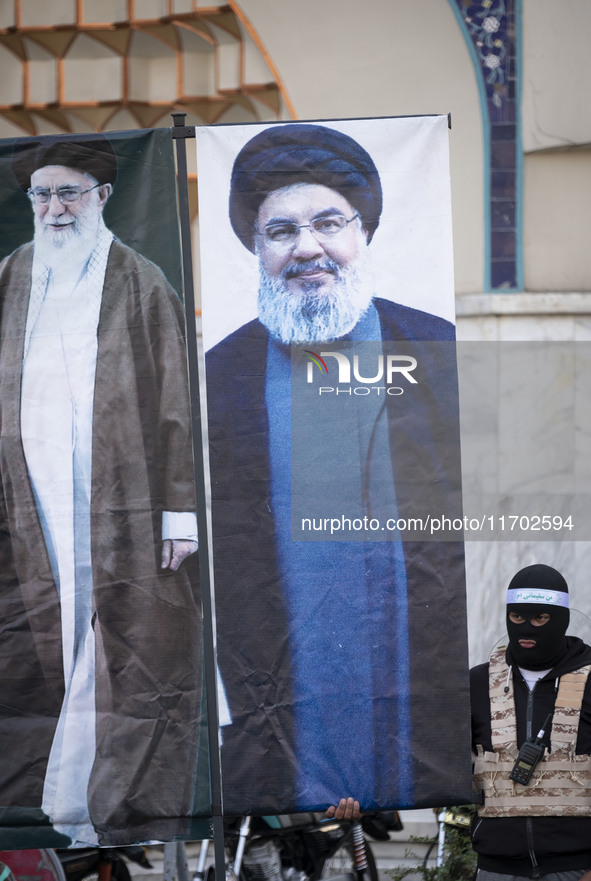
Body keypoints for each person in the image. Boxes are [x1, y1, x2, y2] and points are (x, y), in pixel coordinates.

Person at [205, 122, 468, 815]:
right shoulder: (218, 375)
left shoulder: (437, 347)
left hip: (412, 638)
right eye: (281, 231)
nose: (307, 248)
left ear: (363, 232)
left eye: (327, 223)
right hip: (282, 656)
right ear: (256, 248)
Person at [0, 134, 200, 846]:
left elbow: (175, 400)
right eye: (43, 195)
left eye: (69, 193)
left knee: (121, 638)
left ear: (102, 198)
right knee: (43, 634)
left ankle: (101, 806)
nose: (55, 209)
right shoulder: (12, 276)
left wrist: (180, 510)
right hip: (33, 495)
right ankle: (50, 801)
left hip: (126, 492)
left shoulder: (141, 280)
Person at [471, 563, 591, 880]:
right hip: (496, 868)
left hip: (575, 869)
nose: (527, 628)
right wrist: (358, 797)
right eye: (517, 617)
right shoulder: (476, 683)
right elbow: (433, 762)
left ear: (561, 619)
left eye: (540, 618)